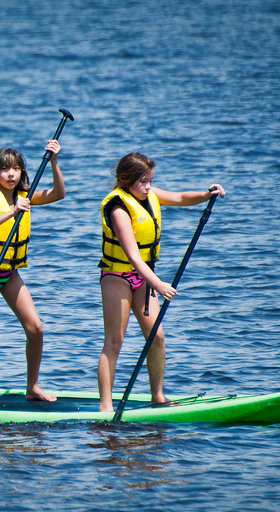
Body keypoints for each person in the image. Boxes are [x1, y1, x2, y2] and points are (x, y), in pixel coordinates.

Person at [96, 152, 225, 412]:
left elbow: (178, 198)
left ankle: (158, 396)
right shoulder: (118, 208)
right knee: (114, 342)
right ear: (125, 179)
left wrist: (206, 194)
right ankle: (105, 405)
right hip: (116, 277)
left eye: (150, 181)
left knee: (156, 336)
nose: (148, 186)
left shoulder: (149, 195)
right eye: (142, 181)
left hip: (144, 277)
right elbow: (133, 256)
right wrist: (158, 284)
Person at [0, 140, 64, 410]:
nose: (11, 174)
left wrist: (54, 161)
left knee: (36, 328)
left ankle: (32, 388)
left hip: (9, 272)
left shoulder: (25, 194)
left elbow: (58, 194)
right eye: (5, 169)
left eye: (17, 169)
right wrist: (11, 211)